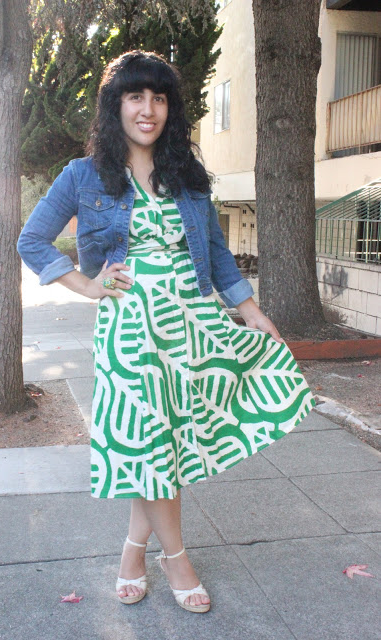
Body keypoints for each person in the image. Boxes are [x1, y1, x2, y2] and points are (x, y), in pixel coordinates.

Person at [17, 50, 315, 614]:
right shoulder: (84, 176)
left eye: (158, 97)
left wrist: (251, 313)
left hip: (192, 323)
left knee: (165, 447)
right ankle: (176, 558)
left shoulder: (186, 176)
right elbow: (31, 240)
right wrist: (89, 286)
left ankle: (133, 551)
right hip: (131, 325)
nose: (147, 109)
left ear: (169, 109)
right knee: (148, 441)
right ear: (115, 105)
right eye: (135, 96)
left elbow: (217, 254)